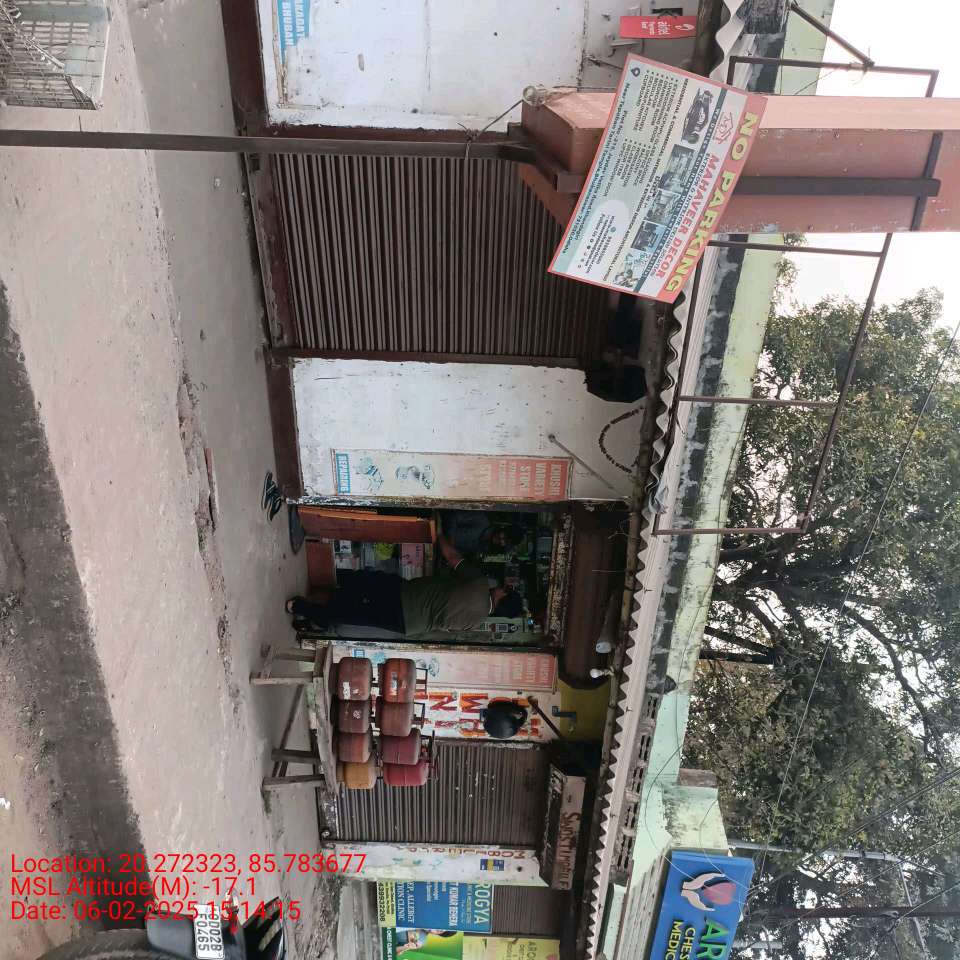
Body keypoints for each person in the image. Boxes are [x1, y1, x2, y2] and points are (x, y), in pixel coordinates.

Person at [286, 532, 525, 638]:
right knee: (354, 614)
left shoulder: (479, 583)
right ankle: (307, 613)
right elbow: (444, 625)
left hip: (404, 596)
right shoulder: (477, 622)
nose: (501, 586)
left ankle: (312, 599)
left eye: (505, 589)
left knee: (361, 583)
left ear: (503, 596)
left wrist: (438, 534)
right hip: (407, 625)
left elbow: (453, 558)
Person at [443, 512, 526, 558]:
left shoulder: (484, 548)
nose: (501, 540)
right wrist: (451, 540)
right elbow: (454, 517)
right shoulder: (482, 520)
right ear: (503, 528)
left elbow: (460, 552)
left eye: (505, 542)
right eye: (504, 536)